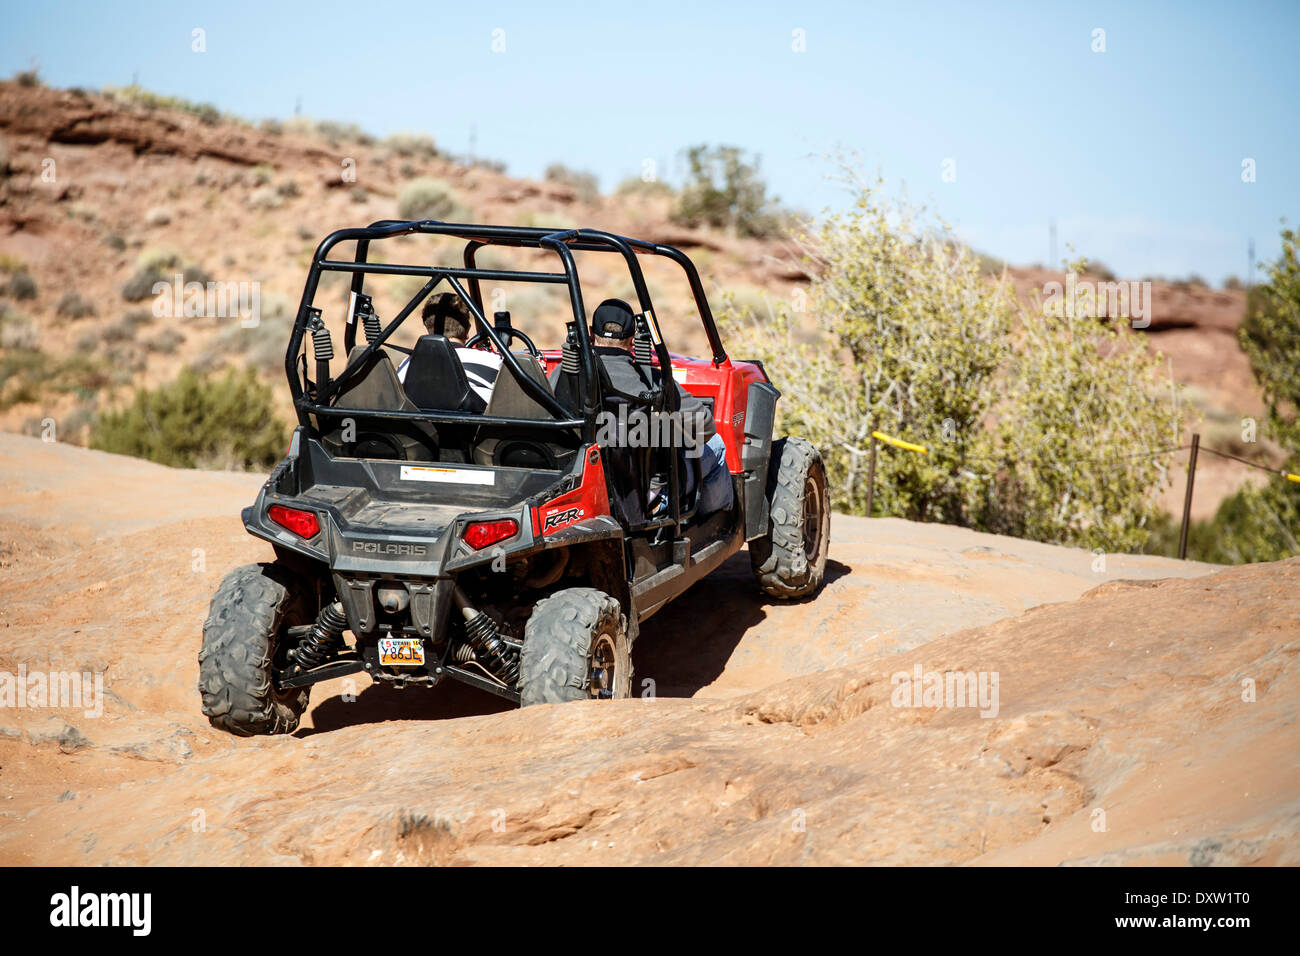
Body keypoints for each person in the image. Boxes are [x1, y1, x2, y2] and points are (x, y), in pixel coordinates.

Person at [587, 298, 733, 517]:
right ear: (632, 340)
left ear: (590, 334)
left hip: (587, 491)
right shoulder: (651, 380)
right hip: (642, 497)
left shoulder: (567, 375)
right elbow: (706, 427)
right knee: (716, 444)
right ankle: (711, 526)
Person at [397, 292, 501, 406]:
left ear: (427, 328)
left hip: (418, 422)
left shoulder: (406, 365)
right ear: (467, 331)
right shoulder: (492, 361)